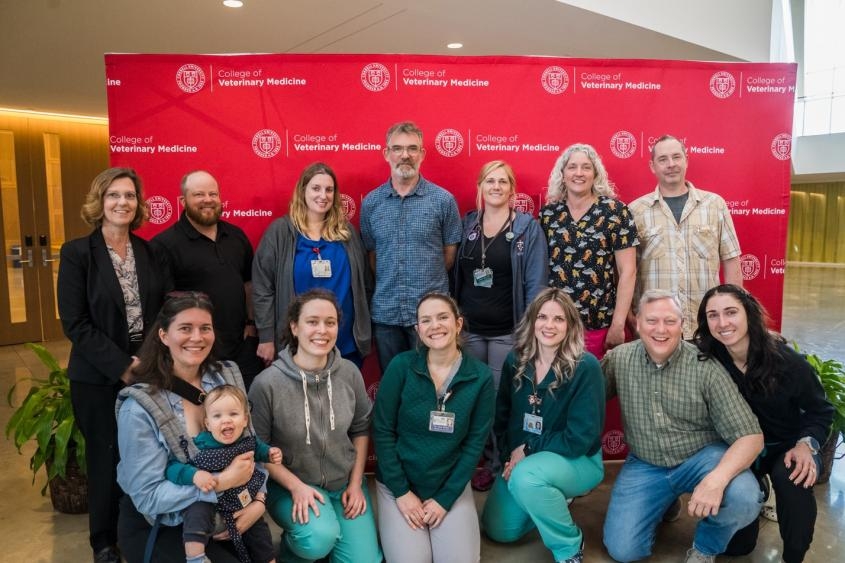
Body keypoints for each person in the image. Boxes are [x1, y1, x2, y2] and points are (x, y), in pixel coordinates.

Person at [57, 167, 171, 563]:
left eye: (129, 196)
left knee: (144, 454)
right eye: (113, 195)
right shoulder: (76, 254)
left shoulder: (150, 251)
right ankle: (103, 541)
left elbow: (161, 311)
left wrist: (148, 361)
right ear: (100, 202)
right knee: (106, 458)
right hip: (97, 376)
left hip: (148, 369)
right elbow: (75, 323)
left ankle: (135, 529)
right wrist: (123, 366)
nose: (122, 202)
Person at [601, 289, 764, 563]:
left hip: (701, 459)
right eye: (652, 321)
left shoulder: (705, 366)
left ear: (682, 324)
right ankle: (665, 502)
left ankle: (705, 549)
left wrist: (716, 480)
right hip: (646, 463)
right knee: (623, 550)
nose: (661, 330)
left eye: (670, 321)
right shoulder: (619, 359)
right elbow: (583, 397)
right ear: (637, 323)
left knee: (745, 497)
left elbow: (751, 436)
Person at [116, 292, 268, 563]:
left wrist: (259, 501)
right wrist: (221, 483)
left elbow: (250, 447)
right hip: (163, 522)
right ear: (163, 336)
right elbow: (147, 496)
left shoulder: (227, 376)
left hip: (225, 513)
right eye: (185, 328)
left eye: (205, 328)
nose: (197, 337)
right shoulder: (138, 407)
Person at [695, 284, 834, 563]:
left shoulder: (787, 361)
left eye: (731, 312)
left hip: (787, 445)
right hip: (739, 448)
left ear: (748, 313)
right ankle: (758, 490)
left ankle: (793, 557)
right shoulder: (707, 356)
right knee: (737, 548)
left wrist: (807, 445)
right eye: (713, 315)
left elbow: (820, 410)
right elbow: (665, 341)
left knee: (793, 475)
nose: (722, 323)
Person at [248, 289, 382, 563]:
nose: (322, 330)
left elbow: (359, 429)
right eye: (312, 321)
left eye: (330, 322)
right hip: (290, 485)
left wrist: (356, 484)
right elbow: (257, 449)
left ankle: (329, 532)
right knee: (317, 539)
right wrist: (296, 486)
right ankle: (298, 546)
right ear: (295, 327)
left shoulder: (349, 373)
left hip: (342, 485)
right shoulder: (267, 384)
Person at [481, 288, 605, 563]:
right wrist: (507, 458)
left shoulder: (586, 366)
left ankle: (569, 546)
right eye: (543, 317)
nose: (549, 325)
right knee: (500, 530)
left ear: (570, 325)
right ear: (532, 321)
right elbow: (501, 418)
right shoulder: (516, 360)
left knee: (528, 478)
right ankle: (550, 499)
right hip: (523, 460)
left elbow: (580, 439)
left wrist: (527, 450)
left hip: (577, 459)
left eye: (559, 319)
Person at [372, 293, 495, 563]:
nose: (434, 325)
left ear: (458, 324)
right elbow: (382, 430)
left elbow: (474, 445)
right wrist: (402, 492)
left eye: (442, 317)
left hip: (448, 483)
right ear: (418, 330)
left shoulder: (481, 377)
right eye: (425, 320)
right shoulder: (401, 367)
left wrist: (446, 498)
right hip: (399, 485)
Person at [452, 160, 548, 491]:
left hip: (508, 332)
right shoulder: (466, 226)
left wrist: (529, 330)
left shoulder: (526, 228)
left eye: (503, 181)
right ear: (480, 186)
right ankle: (467, 461)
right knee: (467, 399)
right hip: (468, 331)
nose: (496, 187)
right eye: (490, 181)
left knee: (496, 402)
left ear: (512, 189)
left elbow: (536, 284)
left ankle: (495, 465)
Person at [360, 121, 463, 372]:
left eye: (412, 148)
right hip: (386, 314)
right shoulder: (371, 203)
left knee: (432, 384)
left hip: (432, 319)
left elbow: (449, 257)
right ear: (386, 153)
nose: (405, 155)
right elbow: (373, 257)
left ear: (422, 154)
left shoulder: (443, 200)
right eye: (397, 148)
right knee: (393, 385)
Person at [252, 162, 371, 367]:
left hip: (345, 344)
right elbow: (263, 288)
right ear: (302, 191)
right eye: (316, 188)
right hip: (297, 345)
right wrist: (265, 337)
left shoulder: (347, 233)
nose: (323, 195)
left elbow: (365, 284)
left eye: (329, 189)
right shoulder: (281, 233)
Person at [152, 170, 263, 387]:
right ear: (183, 201)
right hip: (196, 352)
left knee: (249, 412)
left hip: (242, 348)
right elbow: (163, 305)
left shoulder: (236, 236)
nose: (208, 200)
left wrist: (250, 325)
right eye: (199, 195)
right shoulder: (164, 245)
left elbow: (248, 284)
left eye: (213, 194)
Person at [628, 135, 742, 339]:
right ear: (652, 166)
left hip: (707, 326)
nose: (671, 164)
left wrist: (735, 311)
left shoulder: (715, 205)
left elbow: (731, 261)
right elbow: (626, 271)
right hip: (656, 329)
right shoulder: (635, 211)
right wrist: (629, 316)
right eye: (663, 159)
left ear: (686, 160)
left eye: (676, 157)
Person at [165, 384, 283, 563]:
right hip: (212, 500)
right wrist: (195, 476)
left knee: (260, 537)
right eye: (217, 416)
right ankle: (195, 556)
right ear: (208, 424)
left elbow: (260, 450)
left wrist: (270, 453)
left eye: (233, 414)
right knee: (196, 512)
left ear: (245, 420)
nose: (226, 421)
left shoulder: (248, 440)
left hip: (242, 501)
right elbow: (172, 468)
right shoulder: (200, 444)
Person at [540, 143, 638, 357]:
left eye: (586, 167)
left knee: (596, 389)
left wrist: (618, 324)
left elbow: (628, 271)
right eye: (572, 167)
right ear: (562, 173)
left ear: (595, 174)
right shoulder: (548, 215)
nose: (579, 173)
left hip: (600, 325)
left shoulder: (615, 212)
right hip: (556, 326)